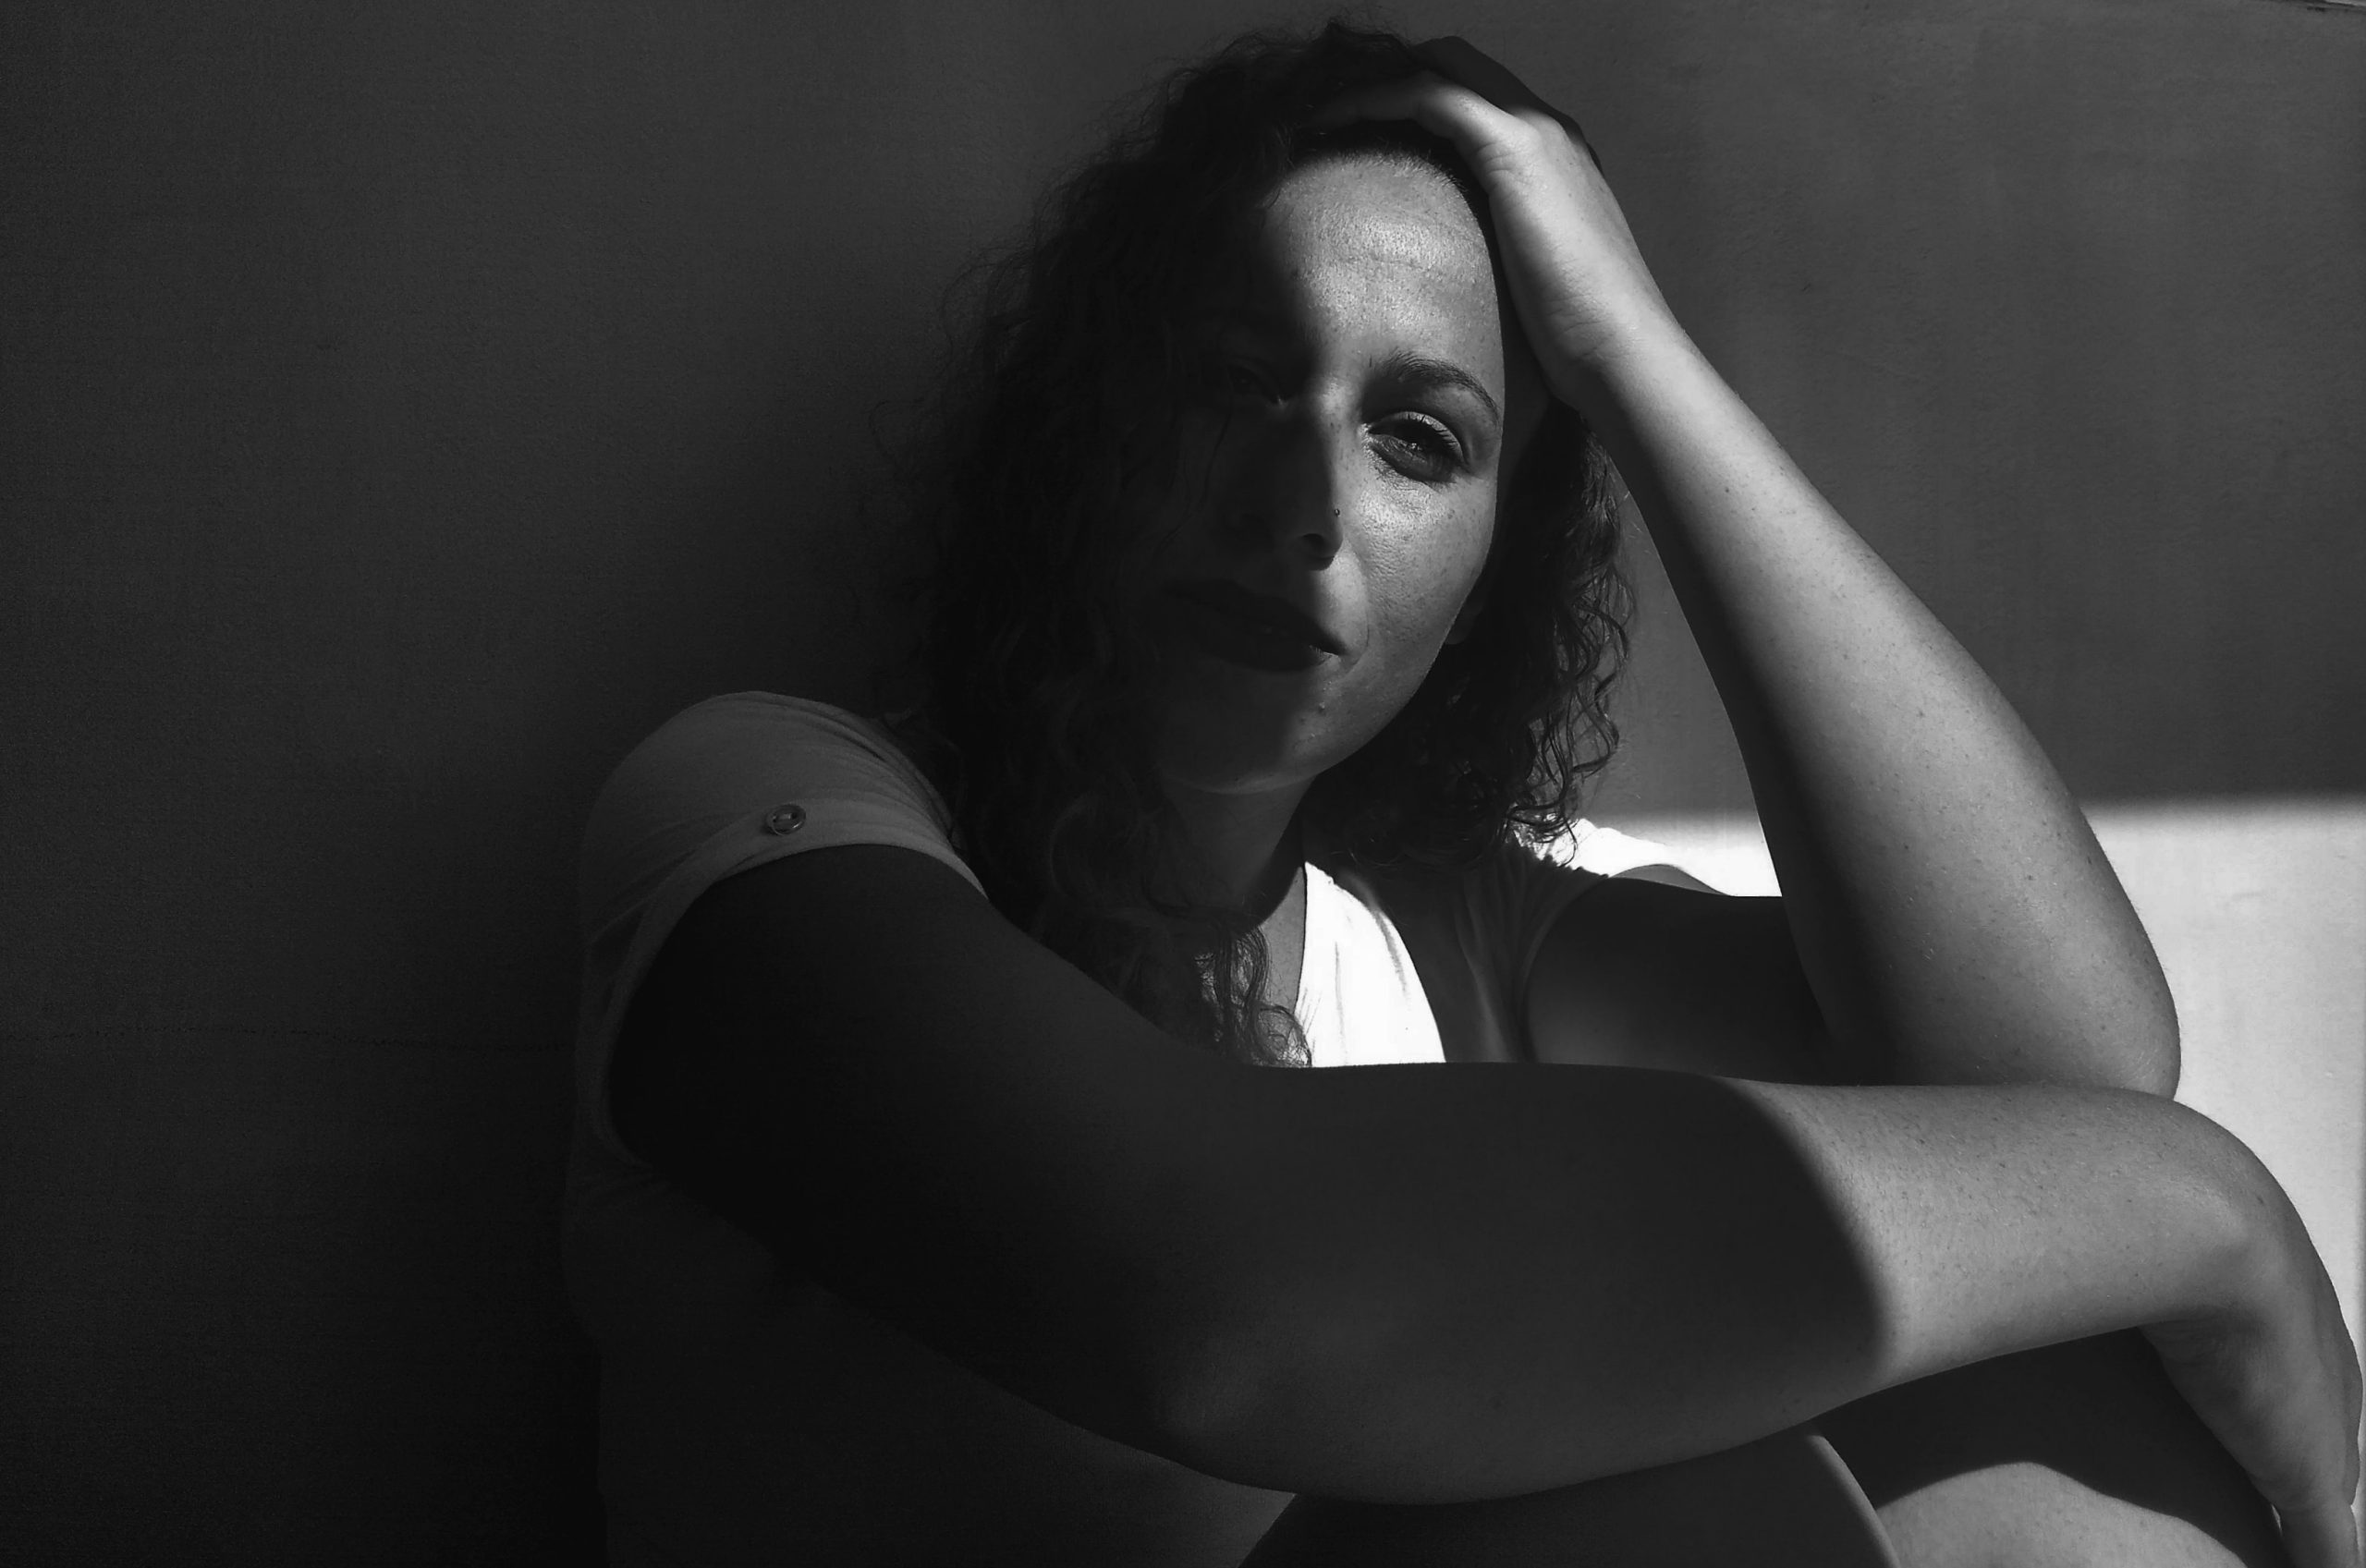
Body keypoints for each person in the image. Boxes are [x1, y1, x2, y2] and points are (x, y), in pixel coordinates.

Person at [564, 21, 2361, 1567]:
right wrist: (2196, 1209)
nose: (1303, 505)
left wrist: (1627, 356)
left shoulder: (1460, 935)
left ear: (1488, 586)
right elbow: (1220, 1304)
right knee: (1666, 1509)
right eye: (1234, 377)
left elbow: (2039, 1085)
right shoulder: (765, 816)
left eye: (1417, 439)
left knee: (2051, 1396)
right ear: (1076, 423)